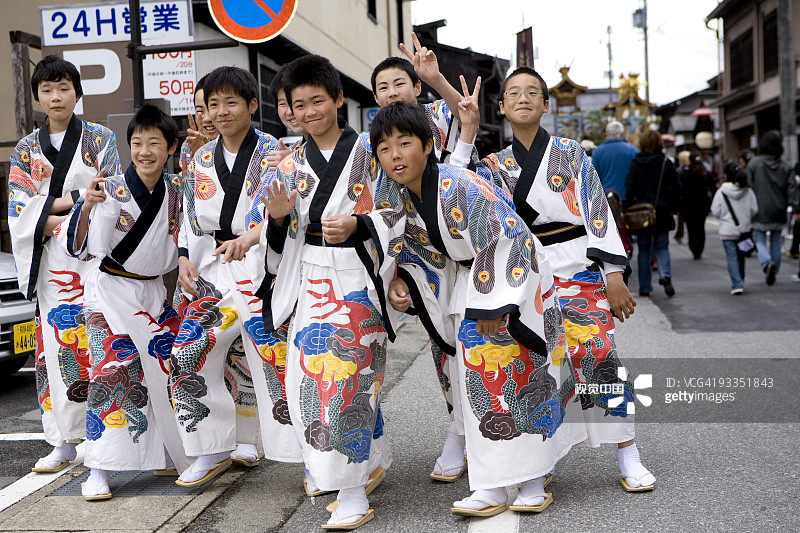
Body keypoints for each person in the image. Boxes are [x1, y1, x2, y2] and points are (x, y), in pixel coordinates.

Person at [367, 101, 583, 517]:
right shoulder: (395, 194)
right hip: (474, 284)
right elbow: (403, 246)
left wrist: (492, 304)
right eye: (384, 149)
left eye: (405, 143)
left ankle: (534, 481)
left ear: (429, 145)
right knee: (480, 384)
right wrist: (401, 281)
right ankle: (490, 485)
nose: (394, 156)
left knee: (522, 377)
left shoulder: (460, 184)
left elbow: (506, 238)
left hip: (515, 282)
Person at [473, 66, 655, 494]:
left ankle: (628, 452)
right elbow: (484, 224)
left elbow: (596, 209)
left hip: (577, 264)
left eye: (532, 93)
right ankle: (539, 462)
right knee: (538, 366)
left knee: (598, 353)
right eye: (513, 93)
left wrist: (613, 273)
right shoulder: (492, 166)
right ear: (500, 107)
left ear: (545, 104)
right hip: (526, 273)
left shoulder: (572, 153)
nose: (523, 99)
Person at [259, 54, 393, 530]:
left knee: (344, 380)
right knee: (307, 382)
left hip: (357, 277)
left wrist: (361, 224)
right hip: (309, 277)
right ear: (289, 111)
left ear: (339, 98)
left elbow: (398, 211)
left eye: (319, 99)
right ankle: (359, 464)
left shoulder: (371, 151)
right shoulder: (288, 164)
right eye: (300, 104)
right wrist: (276, 217)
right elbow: (272, 242)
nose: (311, 110)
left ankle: (352, 489)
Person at [170, 66, 302, 488]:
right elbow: (190, 218)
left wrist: (254, 234)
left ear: (251, 104)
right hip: (215, 269)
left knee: (276, 362)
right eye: (213, 104)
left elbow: (290, 211)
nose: (220, 112)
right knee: (188, 351)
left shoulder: (275, 151)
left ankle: (304, 456)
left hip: (264, 266)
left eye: (230, 102)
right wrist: (185, 257)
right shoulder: (201, 158)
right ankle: (211, 448)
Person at [60, 105, 191, 499]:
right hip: (109, 292)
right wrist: (86, 205)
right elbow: (82, 246)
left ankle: (165, 453)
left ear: (170, 148)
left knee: (167, 367)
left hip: (152, 292)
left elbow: (192, 238)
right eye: (137, 143)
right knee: (110, 374)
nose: (144, 151)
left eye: (155, 143)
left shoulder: (178, 193)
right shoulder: (109, 187)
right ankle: (98, 468)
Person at [370, 41, 479, 483]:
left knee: (485, 352)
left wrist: (436, 78)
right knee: (445, 353)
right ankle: (460, 429)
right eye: (382, 86)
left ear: (416, 85)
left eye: (400, 82)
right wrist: (393, 271)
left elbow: (466, 117)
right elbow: (380, 209)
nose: (392, 92)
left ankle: (489, 439)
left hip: (469, 250)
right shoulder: (371, 140)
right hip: (424, 262)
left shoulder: (436, 120)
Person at [8, 55, 120, 473]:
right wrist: (73, 202)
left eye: (64, 88)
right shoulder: (25, 149)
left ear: (77, 92)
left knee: (98, 341)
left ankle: (103, 437)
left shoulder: (100, 137)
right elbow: (20, 208)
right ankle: (63, 441)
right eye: (47, 90)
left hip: (90, 252)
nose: (56, 97)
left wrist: (52, 212)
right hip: (51, 260)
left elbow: (108, 190)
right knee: (55, 349)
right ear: (37, 96)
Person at [625, 130, 680, 297]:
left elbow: (629, 187)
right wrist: (673, 206)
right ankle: (665, 276)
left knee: (644, 248)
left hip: (642, 213)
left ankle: (645, 287)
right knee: (662, 245)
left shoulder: (636, 163)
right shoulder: (665, 162)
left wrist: (630, 206)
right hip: (661, 210)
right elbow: (677, 187)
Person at [747, 130, 793, 285]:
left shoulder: (755, 163)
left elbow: (748, 184)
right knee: (775, 240)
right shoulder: (785, 165)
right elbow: (792, 187)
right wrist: (795, 206)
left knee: (759, 237)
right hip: (779, 208)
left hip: (758, 208)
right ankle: (775, 269)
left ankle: (766, 263)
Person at [710, 162, 758, 295]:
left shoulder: (721, 192)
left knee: (731, 256)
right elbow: (754, 210)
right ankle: (740, 280)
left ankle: (736, 284)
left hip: (727, 231)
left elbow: (715, 211)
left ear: (726, 176)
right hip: (744, 230)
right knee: (741, 256)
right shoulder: (748, 191)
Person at [678, 151, 717, 260]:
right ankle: (700, 248)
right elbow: (713, 187)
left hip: (688, 204)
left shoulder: (685, 174)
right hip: (702, 204)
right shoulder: (706, 173)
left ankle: (695, 250)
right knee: (701, 227)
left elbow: (679, 189)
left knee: (691, 228)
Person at [591, 120, 638, 203]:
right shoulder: (632, 151)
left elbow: (594, 178)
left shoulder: (598, 152)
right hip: (628, 197)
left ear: (607, 134)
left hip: (606, 197)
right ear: (621, 134)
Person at [672, 151, 691, 244]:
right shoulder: (692, 169)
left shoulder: (680, 171)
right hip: (689, 198)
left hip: (682, 198)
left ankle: (679, 235)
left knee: (682, 219)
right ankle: (680, 235)